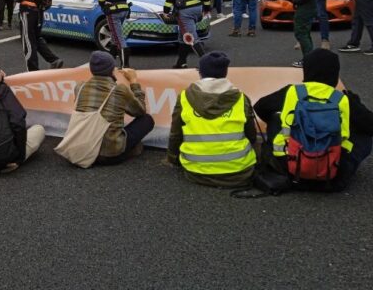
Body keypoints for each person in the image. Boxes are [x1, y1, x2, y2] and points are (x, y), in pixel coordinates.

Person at [256, 49, 372, 191]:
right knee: (364, 135)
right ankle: (338, 167)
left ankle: (281, 161)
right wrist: (356, 103)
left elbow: (260, 107)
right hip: (332, 175)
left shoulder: (292, 92)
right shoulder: (343, 99)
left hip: (291, 170)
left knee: (276, 119)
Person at [166, 51, 258, 188]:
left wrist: (173, 158)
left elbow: (176, 132)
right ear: (225, 73)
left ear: (201, 73)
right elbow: (251, 134)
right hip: (239, 171)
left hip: (196, 171)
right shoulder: (241, 98)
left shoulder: (185, 97)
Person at [71, 51, 154, 165]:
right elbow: (140, 111)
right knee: (147, 120)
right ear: (111, 70)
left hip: (82, 149)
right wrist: (134, 82)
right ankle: (127, 151)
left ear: (91, 69)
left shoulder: (79, 87)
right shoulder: (119, 90)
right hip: (108, 154)